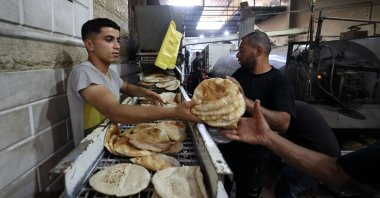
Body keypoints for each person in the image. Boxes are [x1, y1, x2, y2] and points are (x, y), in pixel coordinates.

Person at [67, 18, 199, 146]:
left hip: (109, 139)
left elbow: (126, 87)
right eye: (109, 39)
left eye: (118, 40)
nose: (117, 46)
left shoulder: (110, 73)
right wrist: (174, 112)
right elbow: (115, 111)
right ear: (90, 44)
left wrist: (145, 93)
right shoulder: (83, 73)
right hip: (90, 149)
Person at [221, 100, 380, 186]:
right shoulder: (300, 107)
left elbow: (335, 172)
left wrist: (267, 137)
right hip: (329, 158)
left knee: (285, 184)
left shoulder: (290, 114)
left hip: (322, 157)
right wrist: (267, 137)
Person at [219, 30, 296, 198]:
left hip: (254, 159)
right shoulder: (240, 74)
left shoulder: (279, 81)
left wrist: (245, 101)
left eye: (242, 50)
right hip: (228, 149)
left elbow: (283, 123)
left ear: (259, 51)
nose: (238, 55)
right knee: (220, 191)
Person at [273, 100, 341, 197]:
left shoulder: (286, 113)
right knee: (287, 178)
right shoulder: (294, 106)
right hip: (325, 156)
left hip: (323, 160)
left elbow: (276, 136)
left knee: (284, 186)